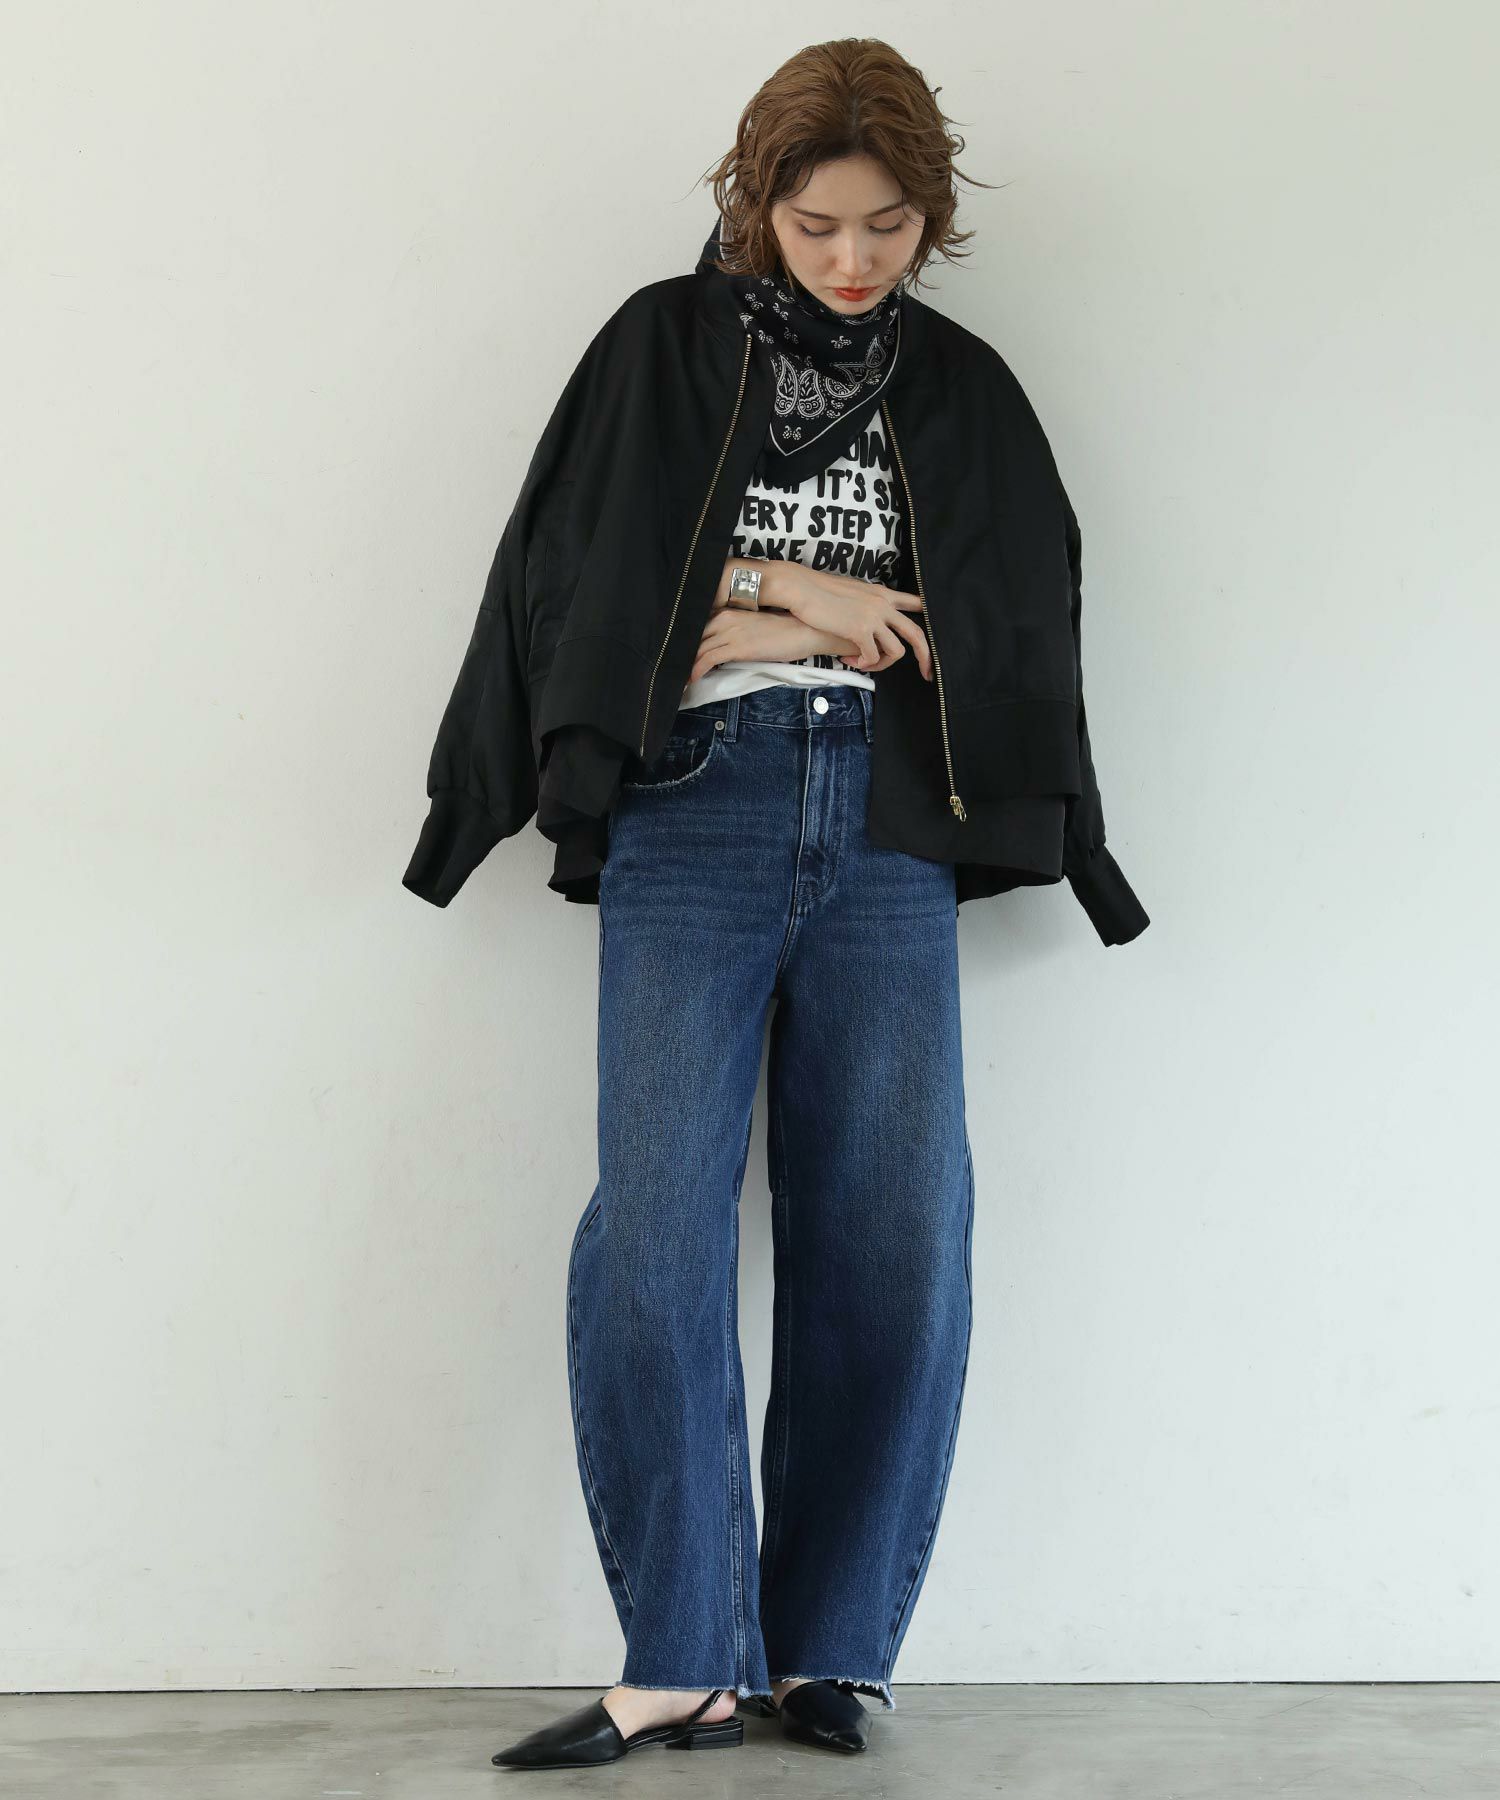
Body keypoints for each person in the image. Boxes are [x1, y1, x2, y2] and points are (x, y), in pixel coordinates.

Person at [403, 38, 1150, 1773]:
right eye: (817, 225)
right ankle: (682, 1656)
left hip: (887, 824)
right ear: (761, 207)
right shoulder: (662, 346)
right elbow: (576, 572)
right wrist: (785, 591)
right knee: (655, 1235)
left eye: (888, 225)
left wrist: (760, 616)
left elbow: (1006, 620)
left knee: (898, 1238)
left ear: (929, 216)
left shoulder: (962, 388)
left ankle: (827, 1651)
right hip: (697, 806)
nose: (853, 259)